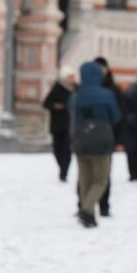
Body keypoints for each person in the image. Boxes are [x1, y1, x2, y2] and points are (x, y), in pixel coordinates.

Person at [69, 59, 122, 228]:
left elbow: (72, 118)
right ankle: (87, 209)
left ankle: (88, 214)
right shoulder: (106, 95)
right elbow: (116, 116)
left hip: (81, 141)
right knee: (100, 179)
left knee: (85, 178)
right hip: (101, 141)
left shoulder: (76, 96)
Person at [93, 56, 127, 217]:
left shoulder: (114, 90)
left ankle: (104, 206)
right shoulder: (87, 89)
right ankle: (85, 205)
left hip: (108, 137)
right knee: (87, 174)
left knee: (104, 174)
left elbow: (120, 117)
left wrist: (120, 140)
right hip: (88, 138)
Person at [42, 67, 77, 181]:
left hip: (70, 125)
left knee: (67, 150)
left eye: (73, 77)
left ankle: (64, 172)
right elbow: (46, 103)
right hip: (57, 125)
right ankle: (62, 168)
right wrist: (56, 106)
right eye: (70, 77)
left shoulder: (77, 89)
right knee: (57, 150)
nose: (72, 79)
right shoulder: (57, 88)